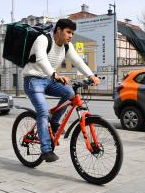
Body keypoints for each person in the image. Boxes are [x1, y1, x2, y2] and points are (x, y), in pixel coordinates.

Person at [23, 18, 100, 162]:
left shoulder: (67, 46)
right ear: (58, 30)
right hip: (33, 80)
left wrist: (91, 75)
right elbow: (41, 59)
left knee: (69, 92)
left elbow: (77, 61)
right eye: (68, 32)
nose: (71, 36)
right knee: (43, 111)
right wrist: (55, 74)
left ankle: (54, 122)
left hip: (49, 80)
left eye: (72, 33)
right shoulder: (43, 39)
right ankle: (46, 150)